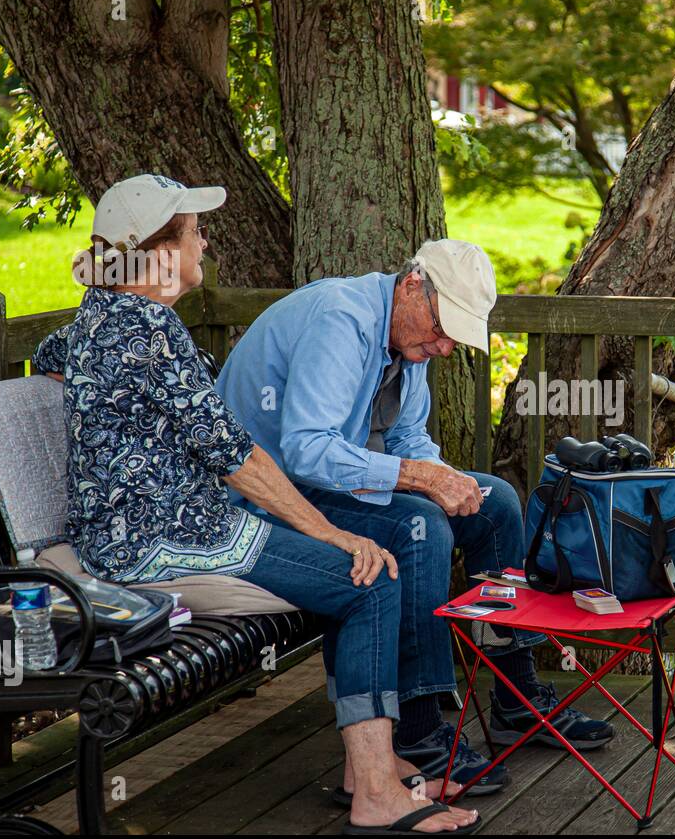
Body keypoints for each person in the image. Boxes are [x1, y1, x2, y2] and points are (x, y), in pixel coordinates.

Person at [32, 174, 478, 835]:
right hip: (163, 543)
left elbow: (52, 354)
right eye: (193, 232)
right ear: (156, 251)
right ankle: (377, 791)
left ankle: (369, 769)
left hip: (150, 529)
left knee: (365, 567)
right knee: (370, 577)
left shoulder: (102, 314)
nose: (205, 242)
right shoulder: (150, 329)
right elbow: (238, 461)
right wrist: (333, 535)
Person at [216, 239, 614, 800]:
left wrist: (445, 478)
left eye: (454, 334)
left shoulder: (408, 340)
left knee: (495, 502)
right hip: (276, 499)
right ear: (410, 285)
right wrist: (424, 481)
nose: (446, 346)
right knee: (418, 527)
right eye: (442, 325)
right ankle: (420, 729)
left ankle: (515, 698)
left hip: (328, 483)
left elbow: (406, 438)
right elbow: (306, 451)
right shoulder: (341, 320)